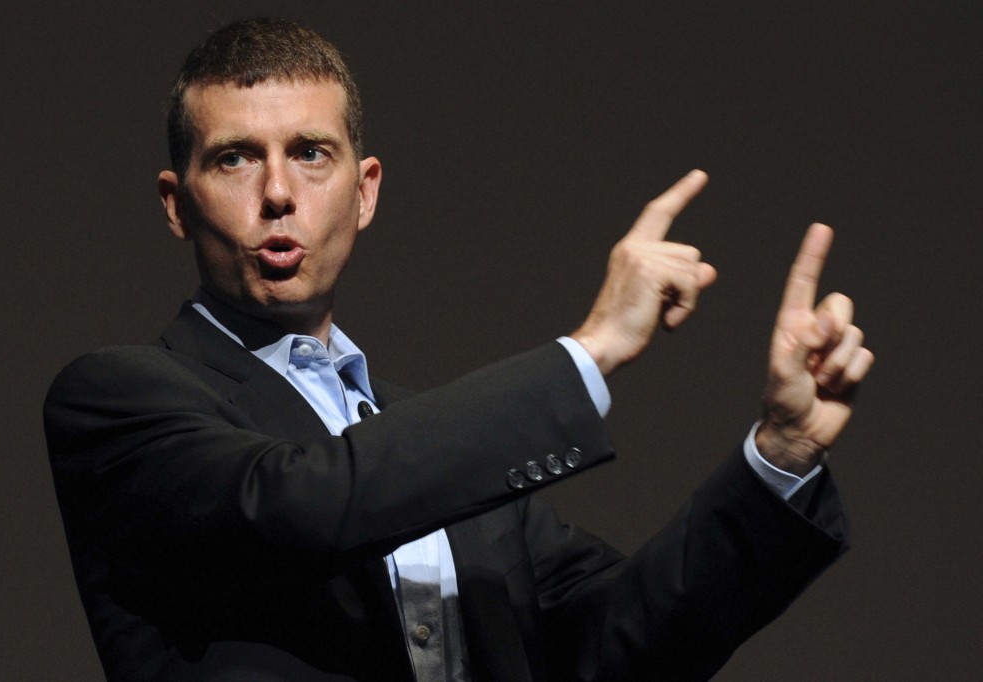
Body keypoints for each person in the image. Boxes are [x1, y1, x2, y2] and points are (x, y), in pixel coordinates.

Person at [44, 17, 873, 682]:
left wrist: (780, 453)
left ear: (364, 191)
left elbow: (623, 639)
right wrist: (590, 351)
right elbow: (299, 503)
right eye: (234, 159)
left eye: (309, 153)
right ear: (175, 204)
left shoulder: (449, 456)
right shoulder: (117, 401)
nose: (277, 194)